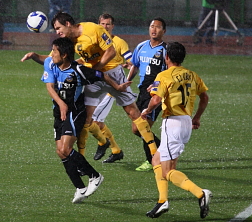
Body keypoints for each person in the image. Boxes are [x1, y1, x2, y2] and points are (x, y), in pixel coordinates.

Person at [21, 12, 158, 164]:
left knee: (132, 112)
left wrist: (97, 68)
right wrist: (34, 56)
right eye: (55, 29)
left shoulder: (92, 29)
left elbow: (111, 51)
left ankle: (154, 153)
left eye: (58, 28)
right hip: (92, 76)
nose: (57, 32)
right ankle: (87, 155)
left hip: (112, 72)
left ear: (68, 24)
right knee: (86, 119)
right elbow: (53, 59)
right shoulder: (67, 41)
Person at [41, 37, 130, 203]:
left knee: (66, 149)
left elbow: (101, 75)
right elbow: (49, 86)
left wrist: (117, 87)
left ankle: (94, 176)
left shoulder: (79, 70)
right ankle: (80, 188)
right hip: (59, 112)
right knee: (60, 151)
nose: (51, 54)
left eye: (55, 51)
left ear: (65, 55)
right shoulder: (51, 64)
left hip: (75, 112)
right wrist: (60, 104)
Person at [140, 42, 211, 219]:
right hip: (186, 121)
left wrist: (147, 110)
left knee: (167, 171)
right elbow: (204, 97)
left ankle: (201, 194)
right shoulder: (192, 75)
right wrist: (197, 117)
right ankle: (162, 201)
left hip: (172, 123)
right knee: (156, 160)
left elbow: (156, 100)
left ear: (167, 58)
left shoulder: (164, 74)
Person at [85, 13, 133, 163]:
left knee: (95, 119)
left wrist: (128, 68)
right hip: (98, 84)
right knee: (94, 120)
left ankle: (106, 144)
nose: (105, 27)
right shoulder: (95, 42)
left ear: (113, 26)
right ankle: (115, 150)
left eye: (108, 24)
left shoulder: (119, 42)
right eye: (102, 24)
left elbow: (132, 61)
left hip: (112, 88)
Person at [128, 18, 167, 171]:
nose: (154, 29)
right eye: (152, 26)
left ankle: (151, 160)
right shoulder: (141, 46)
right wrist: (127, 81)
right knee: (136, 129)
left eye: (158, 27)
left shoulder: (165, 50)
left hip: (156, 94)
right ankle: (162, 150)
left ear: (164, 31)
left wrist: (158, 86)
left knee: (143, 127)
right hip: (142, 92)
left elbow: (169, 71)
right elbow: (135, 65)